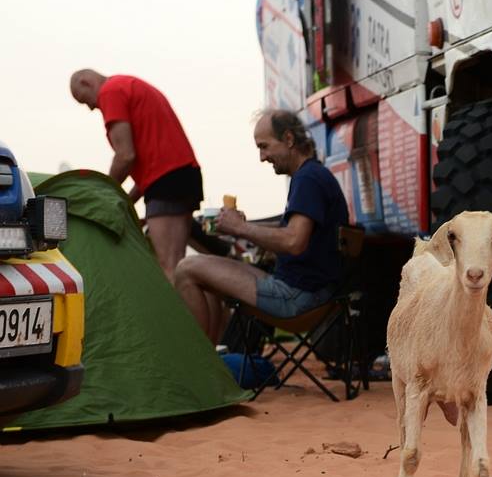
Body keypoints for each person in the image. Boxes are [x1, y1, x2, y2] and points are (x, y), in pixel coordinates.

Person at [174, 109, 347, 344]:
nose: (262, 157)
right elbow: (292, 228)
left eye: (264, 147)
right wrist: (243, 225)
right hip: (314, 292)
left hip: (297, 297)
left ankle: (198, 363)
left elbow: (293, 241)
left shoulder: (308, 180)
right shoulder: (313, 175)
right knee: (202, 276)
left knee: (186, 268)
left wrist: (240, 229)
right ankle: (214, 359)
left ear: (288, 139)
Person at [69, 69, 203, 282]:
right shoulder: (128, 85)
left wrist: (100, 192)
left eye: (85, 101)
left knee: (171, 267)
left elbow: (125, 155)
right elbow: (145, 163)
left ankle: (171, 316)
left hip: (166, 181)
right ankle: (206, 317)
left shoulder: (110, 92)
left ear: (86, 82)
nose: (92, 108)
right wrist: (126, 203)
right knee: (184, 266)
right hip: (181, 175)